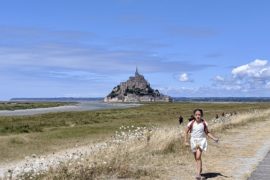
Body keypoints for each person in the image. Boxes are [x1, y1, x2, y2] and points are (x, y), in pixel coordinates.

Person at [184, 109, 219, 180]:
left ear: (201, 115)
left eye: (199, 115)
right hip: (193, 141)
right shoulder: (191, 123)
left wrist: (214, 138)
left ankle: (198, 175)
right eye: (196, 115)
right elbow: (186, 132)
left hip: (201, 141)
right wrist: (185, 141)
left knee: (198, 156)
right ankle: (199, 169)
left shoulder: (204, 123)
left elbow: (207, 132)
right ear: (194, 115)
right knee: (197, 158)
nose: (198, 116)